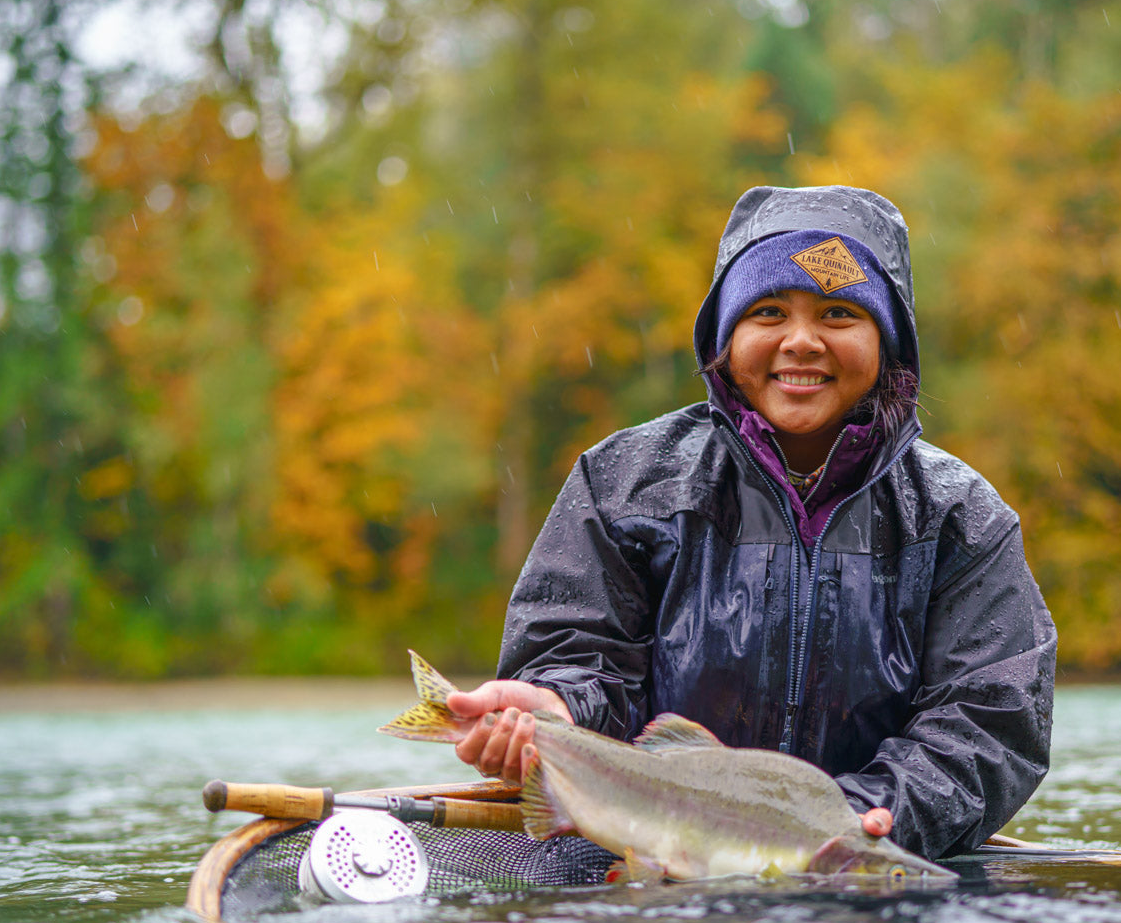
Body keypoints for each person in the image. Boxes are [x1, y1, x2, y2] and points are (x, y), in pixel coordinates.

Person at [448, 185, 1056, 861]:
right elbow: (578, 656)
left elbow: (988, 725)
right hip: (649, 853)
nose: (801, 342)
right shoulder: (621, 483)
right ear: (725, 338)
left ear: (887, 344)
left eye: (838, 313)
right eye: (768, 311)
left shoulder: (960, 516)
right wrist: (558, 708)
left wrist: (849, 822)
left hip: (863, 860)